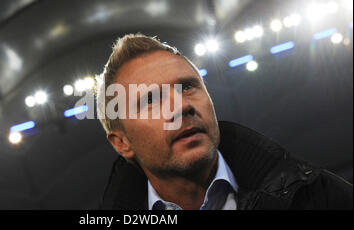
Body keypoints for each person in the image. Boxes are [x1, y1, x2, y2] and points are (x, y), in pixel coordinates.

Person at [95, 33, 352, 210]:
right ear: (122, 142)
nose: (183, 106)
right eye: (151, 100)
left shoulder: (316, 194)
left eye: (186, 87)